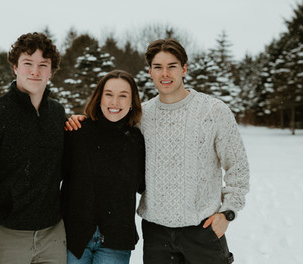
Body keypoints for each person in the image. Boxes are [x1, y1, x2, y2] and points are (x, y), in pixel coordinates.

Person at [65, 39, 250, 264]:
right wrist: (80, 120)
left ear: (184, 69)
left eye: (172, 66)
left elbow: (238, 167)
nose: (165, 73)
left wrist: (228, 212)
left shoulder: (214, 111)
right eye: (158, 67)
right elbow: (110, 133)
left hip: (202, 230)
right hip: (156, 234)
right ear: (150, 72)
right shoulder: (143, 116)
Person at [0, 32, 67, 264]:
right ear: (15, 67)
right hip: (5, 236)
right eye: (28, 63)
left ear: (51, 71)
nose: (35, 71)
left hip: (52, 237)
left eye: (43, 65)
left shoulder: (58, 114)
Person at [62, 70, 145, 264]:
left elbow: (142, 184)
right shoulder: (76, 132)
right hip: (74, 238)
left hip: (116, 241)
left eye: (123, 96)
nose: (114, 102)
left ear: (132, 102)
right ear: (99, 98)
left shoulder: (136, 140)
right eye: (108, 94)